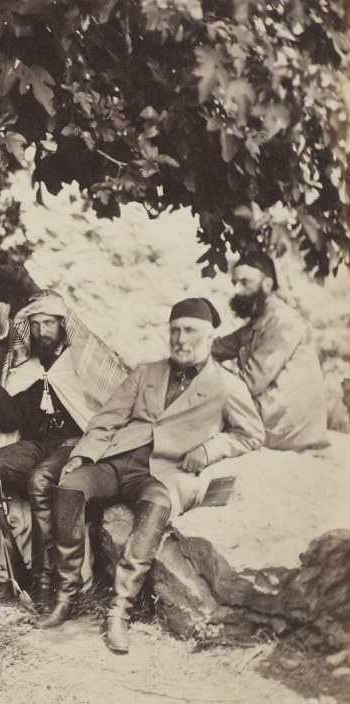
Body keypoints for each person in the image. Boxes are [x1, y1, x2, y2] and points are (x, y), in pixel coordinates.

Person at [37, 298, 264, 653]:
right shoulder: (146, 372)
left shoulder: (225, 384)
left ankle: (118, 611)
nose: (180, 339)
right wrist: (82, 455)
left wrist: (208, 450)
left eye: (189, 331)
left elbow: (251, 434)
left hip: (163, 473)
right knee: (68, 487)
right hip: (118, 461)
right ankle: (66, 597)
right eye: (175, 330)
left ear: (208, 337)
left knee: (157, 505)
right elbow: (107, 419)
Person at [0, 290, 129, 604]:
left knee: (41, 478)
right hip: (37, 445)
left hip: (74, 444)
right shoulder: (29, 366)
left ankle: (44, 583)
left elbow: (112, 404)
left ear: (64, 325)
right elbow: (11, 420)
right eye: (35, 325)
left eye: (49, 323)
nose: (42, 332)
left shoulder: (82, 362)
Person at [212, 252, 330, 455]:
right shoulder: (260, 320)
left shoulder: (284, 322)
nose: (237, 290)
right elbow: (217, 347)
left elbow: (250, 383)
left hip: (286, 428)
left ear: (267, 285)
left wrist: (206, 385)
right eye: (235, 282)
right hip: (273, 417)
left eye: (245, 282)